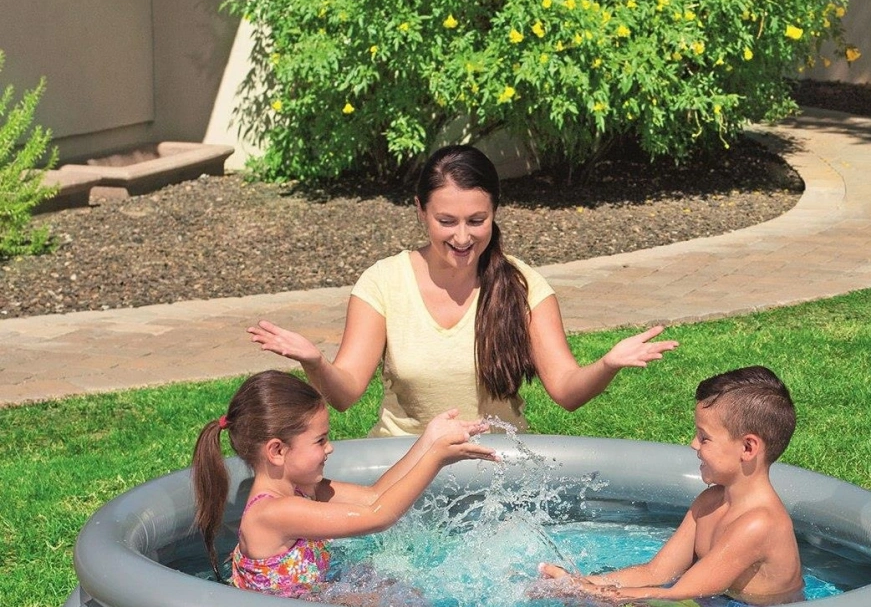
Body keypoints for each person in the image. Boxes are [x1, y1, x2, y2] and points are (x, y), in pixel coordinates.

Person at [247, 143, 678, 437]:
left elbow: (566, 390)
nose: (462, 237)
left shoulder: (522, 285)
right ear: (420, 211)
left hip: (496, 472)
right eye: (446, 221)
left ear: (494, 211)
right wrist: (315, 361)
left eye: (476, 221)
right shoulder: (384, 282)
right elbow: (344, 395)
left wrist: (607, 364)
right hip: (405, 469)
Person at [190, 369, 496, 598]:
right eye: (320, 440)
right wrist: (436, 459)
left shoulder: (303, 491)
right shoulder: (273, 513)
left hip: (314, 603)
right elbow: (378, 517)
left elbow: (374, 497)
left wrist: (428, 441)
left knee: (405, 592)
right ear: (277, 451)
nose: (330, 448)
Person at [540, 366, 804, 607]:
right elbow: (655, 573)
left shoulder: (760, 524)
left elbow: (677, 594)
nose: (693, 444)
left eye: (704, 438)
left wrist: (585, 592)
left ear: (747, 447)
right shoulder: (709, 502)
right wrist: (578, 582)